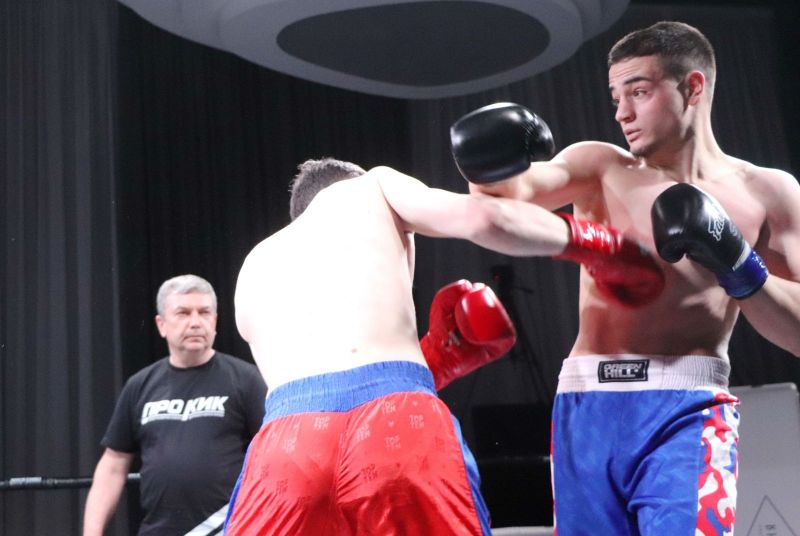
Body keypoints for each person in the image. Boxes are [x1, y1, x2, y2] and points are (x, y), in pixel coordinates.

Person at [450, 20, 800, 536]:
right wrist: (484, 160)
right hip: (587, 406)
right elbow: (504, 200)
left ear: (693, 87)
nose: (622, 113)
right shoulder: (599, 166)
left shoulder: (766, 192)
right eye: (616, 97)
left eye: (638, 91)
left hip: (688, 405)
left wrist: (737, 261)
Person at [222, 158, 665, 535]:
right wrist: (604, 247)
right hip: (396, 424)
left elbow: (327, 402)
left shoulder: (253, 266)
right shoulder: (371, 186)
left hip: (285, 449)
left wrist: (435, 360)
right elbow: (482, 218)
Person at [83, 274, 267, 536]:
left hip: (227, 529)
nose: (196, 322)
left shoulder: (246, 380)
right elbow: (113, 465)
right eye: (183, 313)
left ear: (215, 321)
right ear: (161, 324)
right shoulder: (140, 386)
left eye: (204, 312)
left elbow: (274, 455)